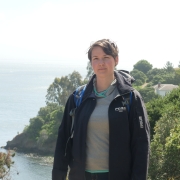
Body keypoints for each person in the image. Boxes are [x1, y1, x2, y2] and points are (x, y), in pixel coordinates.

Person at [52, 39, 150, 180]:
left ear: (116, 59)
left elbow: (141, 146)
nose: (101, 63)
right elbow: (63, 141)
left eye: (106, 57)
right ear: (91, 63)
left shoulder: (130, 97)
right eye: (96, 58)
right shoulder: (78, 97)